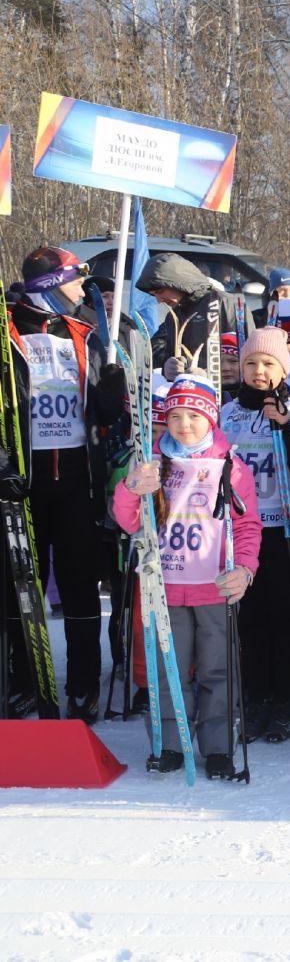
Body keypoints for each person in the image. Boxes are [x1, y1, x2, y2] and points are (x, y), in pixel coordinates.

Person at [113, 375, 261, 779]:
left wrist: (245, 570)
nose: (183, 424)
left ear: (210, 418)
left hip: (213, 587)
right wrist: (131, 487)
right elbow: (129, 521)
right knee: (167, 670)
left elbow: (247, 527)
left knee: (217, 670)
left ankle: (217, 748)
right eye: (175, 415)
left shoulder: (230, 467)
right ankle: (169, 744)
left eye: (193, 415)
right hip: (165, 588)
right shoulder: (152, 462)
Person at [5, 246, 127, 721]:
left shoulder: (85, 333)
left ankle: (82, 686)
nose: (82, 289)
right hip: (22, 483)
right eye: (75, 280)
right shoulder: (7, 330)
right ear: (49, 286)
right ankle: (25, 682)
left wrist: (113, 394)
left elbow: (105, 412)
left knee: (78, 586)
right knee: (19, 589)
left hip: (77, 479)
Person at [218, 328, 290, 744]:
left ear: (283, 369)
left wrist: (285, 425)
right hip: (239, 534)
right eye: (252, 364)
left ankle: (284, 699)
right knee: (251, 621)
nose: (259, 372)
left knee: (286, 620)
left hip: (284, 531)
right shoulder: (224, 415)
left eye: (269, 365)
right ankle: (257, 698)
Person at [136, 252, 226, 386]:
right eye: (154, 295)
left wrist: (208, 375)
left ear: (177, 283)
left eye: (160, 292)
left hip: (226, 396)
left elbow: (246, 357)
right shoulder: (173, 316)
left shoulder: (223, 303)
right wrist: (167, 368)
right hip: (186, 396)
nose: (159, 300)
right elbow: (169, 355)